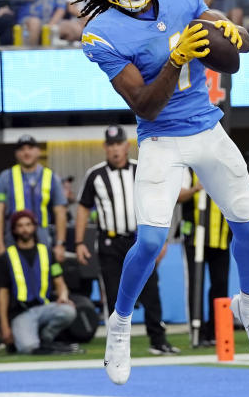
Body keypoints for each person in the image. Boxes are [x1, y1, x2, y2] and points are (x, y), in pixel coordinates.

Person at [75, 0, 249, 384]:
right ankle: (120, 324)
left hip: (207, 127)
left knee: (248, 226)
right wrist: (176, 59)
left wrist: (235, 31)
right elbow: (143, 105)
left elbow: (231, 40)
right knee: (148, 242)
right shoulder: (101, 33)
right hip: (161, 139)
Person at [75, 126, 179, 356]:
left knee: (151, 290)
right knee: (114, 293)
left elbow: (158, 203)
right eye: (110, 145)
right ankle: (117, 345)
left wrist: (161, 240)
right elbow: (83, 207)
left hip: (139, 240)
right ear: (105, 147)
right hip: (110, 243)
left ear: (126, 145)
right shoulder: (95, 174)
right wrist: (79, 242)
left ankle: (158, 340)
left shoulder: (140, 169)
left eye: (118, 144)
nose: (114, 149)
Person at [0, 209, 77, 354]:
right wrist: (5, 326)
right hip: (21, 311)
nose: (25, 229)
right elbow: (2, 294)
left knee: (68, 311)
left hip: (44, 307)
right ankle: (32, 340)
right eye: (20, 226)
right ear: (14, 229)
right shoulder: (6, 257)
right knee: (27, 348)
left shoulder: (46, 252)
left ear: (34, 227)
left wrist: (63, 296)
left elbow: (59, 280)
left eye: (28, 224)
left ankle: (46, 339)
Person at [178, 167, 231, 347]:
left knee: (220, 284)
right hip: (195, 238)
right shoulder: (189, 170)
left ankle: (216, 331)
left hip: (221, 237)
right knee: (196, 284)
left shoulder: (226, 168)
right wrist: (195, 189)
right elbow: (178, 196)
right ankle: (197, 330)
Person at [0, 135, 67, 260]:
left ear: (38, 151)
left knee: (44, 274)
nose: (26, 152)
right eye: (22, 149)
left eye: (30, 148)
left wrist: (60, 244)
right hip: (13, 239)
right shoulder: (5, 177)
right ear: (16, 154)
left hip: (43, 238)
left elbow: (60, 212)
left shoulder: (52, 177)